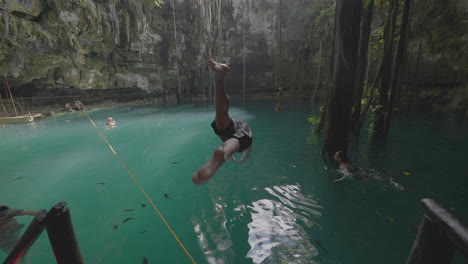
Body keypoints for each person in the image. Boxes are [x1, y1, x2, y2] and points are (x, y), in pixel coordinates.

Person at [192, 59, 253, 185]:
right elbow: (245, 149)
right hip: (240, 131)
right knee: (234, 142)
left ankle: (218, 77)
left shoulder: (238, 135)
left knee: (222, 117)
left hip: (235, 128)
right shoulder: (244, 139)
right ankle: (218, 76)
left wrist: (228, 155)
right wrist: (241, 158)